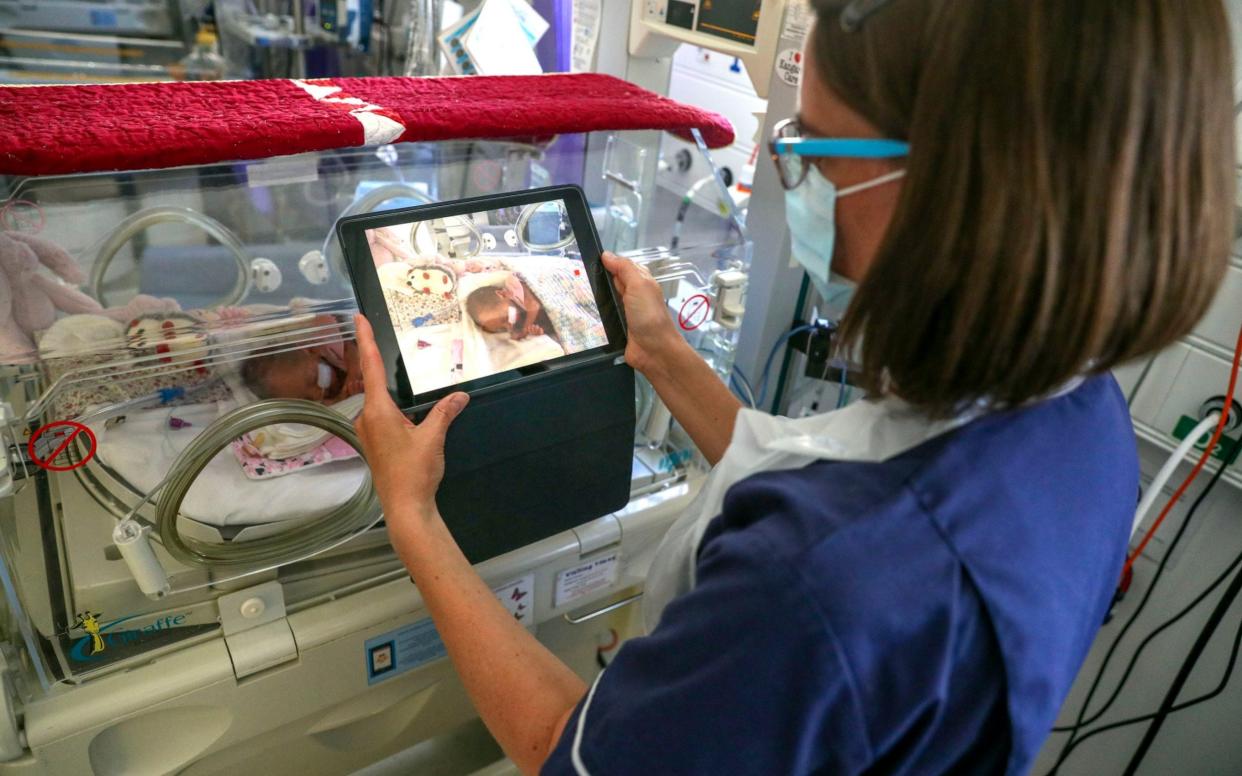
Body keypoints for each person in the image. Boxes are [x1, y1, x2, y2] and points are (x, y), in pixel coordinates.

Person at [351, 0, 1234, 773]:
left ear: (958, 190)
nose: (794, 176)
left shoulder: (814, 582)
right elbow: (815, 468)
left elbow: (562, 749)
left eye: (809, 148)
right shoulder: (1077, 416)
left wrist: (416, 519)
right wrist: (660, 352)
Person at [240, 314, 364, 402]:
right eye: (307, 400)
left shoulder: (326, 339)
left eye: (317, 379)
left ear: (310, 350)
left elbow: (352, 344)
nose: (316, 396)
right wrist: (341, 400)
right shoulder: (323, 400)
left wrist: (354, 372)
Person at [465, 274, 548, 341]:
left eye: (505, 319)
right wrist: (535, 332)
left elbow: (534, 305)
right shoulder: (516, 320)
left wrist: (525, 330)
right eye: (502, 328)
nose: (509, 326)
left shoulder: (513, 287)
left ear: (502, 294)